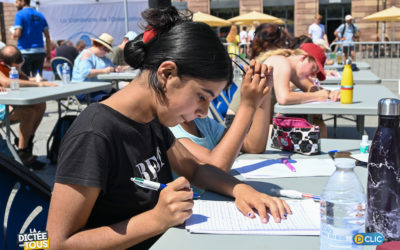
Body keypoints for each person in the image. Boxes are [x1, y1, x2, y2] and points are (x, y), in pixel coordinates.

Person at [46, 7, 291, 250]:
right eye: (202, 97)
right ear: (167, 73)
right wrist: (155, 219)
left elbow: (195, 169)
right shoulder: (95, 134)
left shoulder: (152, 120)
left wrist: (241, 189)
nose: (204, 112)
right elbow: (58, 242)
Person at [170, 61, 272, 172]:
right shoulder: (168, 128)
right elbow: (216, 167)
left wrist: (264, 90)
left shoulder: (200, 122)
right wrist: (248, 105)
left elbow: (253, 146)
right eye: (201, 97)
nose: (204, 113)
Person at [257, 43, 341, 137]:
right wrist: (318, 96)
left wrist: (330, 93)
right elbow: (284, 98)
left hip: (259, 124)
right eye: (313, 68)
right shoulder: (282, 62)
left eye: (315, 74)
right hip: (249, 127)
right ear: (303, 57)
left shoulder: (293, 71)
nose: (313, 75)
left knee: (319, 126)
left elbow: (311, 89)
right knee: (314, 131)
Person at [0, 45, 57, 168]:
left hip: (10, 103)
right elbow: (6, 82)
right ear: (4, 62)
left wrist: (36, 80)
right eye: (15, 65)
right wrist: (40, 85)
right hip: (2, 105)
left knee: (40, 104)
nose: (18, 67)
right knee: (28, 112)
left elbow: (24, 79)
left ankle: (28, 145)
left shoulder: (11, 67)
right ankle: (22, 152)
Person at [71, 33, 117, 102]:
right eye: (106, 49)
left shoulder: (102, 57)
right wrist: (104, 71)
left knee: (122, 96)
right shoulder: (87, 54)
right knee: (109, 101)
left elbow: (113, 68)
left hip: (98, 89)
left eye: (108, 51)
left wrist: (118, 69)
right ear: (98, 45)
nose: (107, 52)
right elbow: (85, 72)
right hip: (84, 90)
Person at [11, 0, 50, 77]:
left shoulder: (20, 14)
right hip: (40, 52)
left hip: (25, 52)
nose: (15, 4)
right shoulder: (40, 15)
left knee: (25, 78)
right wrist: (48, 52)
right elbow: (47, 36)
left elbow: (18, 33)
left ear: (23, 2)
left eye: (16, 2)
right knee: (38, 78)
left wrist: (13, 35)